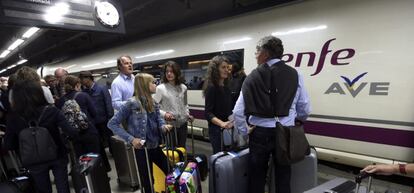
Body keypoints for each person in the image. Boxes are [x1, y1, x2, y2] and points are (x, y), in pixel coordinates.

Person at [233, 36, 311, 193]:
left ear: (265, 54)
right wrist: (297, 120)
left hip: (259, 133)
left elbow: (237, 112)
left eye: (257, 51)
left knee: (257, 176)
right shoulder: (295, 74)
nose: (255, 55)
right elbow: (305, 107)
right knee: (283, 175)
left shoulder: (251, 77)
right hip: (286, 131)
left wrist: (244, 131)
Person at [4, 80, 77, 193]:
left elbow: (9, 144)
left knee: (43, 189)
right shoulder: (51, 111)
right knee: (62, 186)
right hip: (57, 154)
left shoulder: (13, 117)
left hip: (33, 161)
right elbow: (71, 131)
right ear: (39, 93)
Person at [107, 73, 172, 193]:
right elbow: (112, 123)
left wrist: (163, 126)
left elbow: (158, 119)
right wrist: (131, 139)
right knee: (147, 181)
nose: (155, 84)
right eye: (152, 82)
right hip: (142, 149)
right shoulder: (131, 103)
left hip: (155, 146)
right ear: (144, 85)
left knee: (170, 171)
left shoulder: (153, 101)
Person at [56, 75, 100, 158]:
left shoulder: (60, 101)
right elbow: (94, 113)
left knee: (81, 160)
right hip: (88, 132)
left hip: (74, 135)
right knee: (94, 159)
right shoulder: (84, 95)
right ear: (77, 85)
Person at [153, 61, 194, 147]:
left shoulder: (183, 87)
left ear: (176, 72)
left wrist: (187, 114)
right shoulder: (160, 88)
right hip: (169, 125)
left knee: (182, 149)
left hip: (183, 124)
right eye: (167, 71)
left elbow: (185, 104)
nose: (169, 74)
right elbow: (153, 107)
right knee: (171, 151)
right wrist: (164, 114)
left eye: (171, 71)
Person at [79, 71, 114, 171]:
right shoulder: (83, 92)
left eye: (82, 79)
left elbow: (108, 103)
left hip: (104, 120)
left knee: (110, 140)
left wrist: (110, 118)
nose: (81, 82)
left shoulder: (101, 88)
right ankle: (103, 163)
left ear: (88, 78)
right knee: (98, 144)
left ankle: (116, 156)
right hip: (93, 122)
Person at [203, 55, 233, 154]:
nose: (226, 70)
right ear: (216, 70)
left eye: (227, 67)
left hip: (226, 128)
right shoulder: (212, 87)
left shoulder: (226, 87)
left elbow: (228, 110)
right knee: (219, 157)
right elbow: (208, 113)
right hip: (216, 130)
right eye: (223, 67)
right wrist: (222, 123)